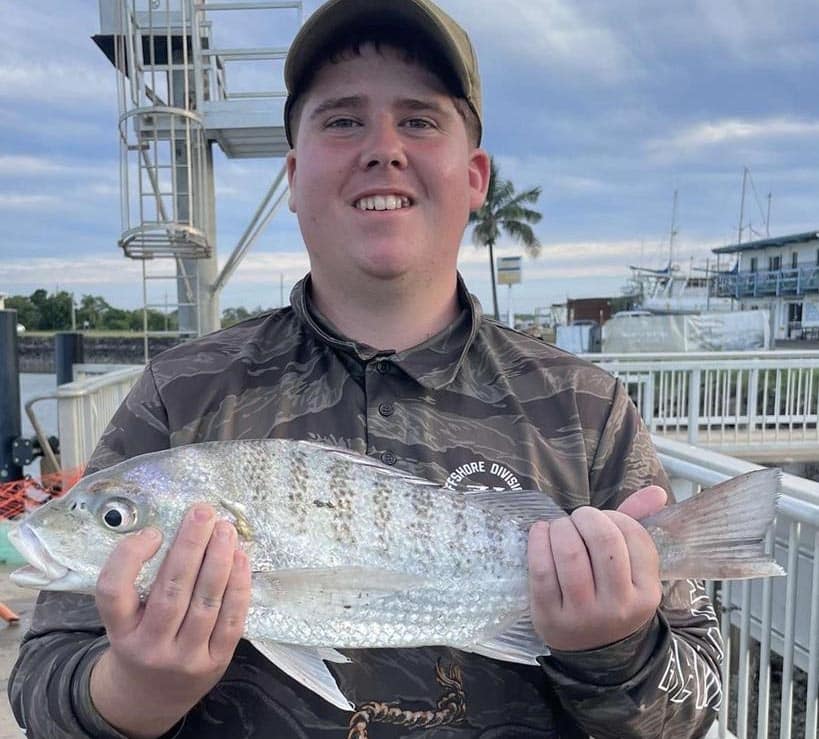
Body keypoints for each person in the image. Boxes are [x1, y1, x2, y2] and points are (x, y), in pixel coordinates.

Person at [9, 1, 723, 736]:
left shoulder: (586, 408)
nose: (382, 148)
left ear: (474, 176)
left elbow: (697, 703)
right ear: (292, 174)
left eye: (418, 119)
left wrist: (612, 648)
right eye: (342, 120)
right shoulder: (178, 393)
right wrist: (136, 686)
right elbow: (41, 683)